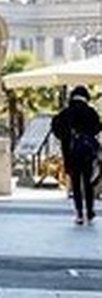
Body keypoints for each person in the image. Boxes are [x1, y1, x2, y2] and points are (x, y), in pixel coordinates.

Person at [51, 85, 101, 225]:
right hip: (87, 153)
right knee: (88, 183)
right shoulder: (91, 112)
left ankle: (79, 213)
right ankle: (90, 212)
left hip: (71, 153)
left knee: (76, 185)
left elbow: (56, 129)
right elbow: (97, 128)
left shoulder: (65, 113)